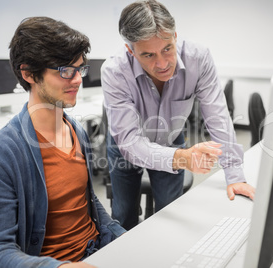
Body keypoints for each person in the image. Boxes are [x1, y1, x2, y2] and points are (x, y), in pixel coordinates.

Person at [0, 16, 125, 268]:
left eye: (80, 69)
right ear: (29, 74)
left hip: (96, 253)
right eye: (66, 70)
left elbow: (86, 202)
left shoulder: (76, 130)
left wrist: (123, 238)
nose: (77, 80)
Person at [102, 0, 255, 231]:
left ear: (175, 35)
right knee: (124, 216)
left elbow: (218, 116)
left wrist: (235, 175)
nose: (162, 63)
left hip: (171, 139)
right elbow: (131, 143)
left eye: (167, 49)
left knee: (171, 214)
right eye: (148, 55)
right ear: (130, 51)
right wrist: (183, 158)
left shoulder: (198, 58)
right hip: (127, 146)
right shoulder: (114, 71)